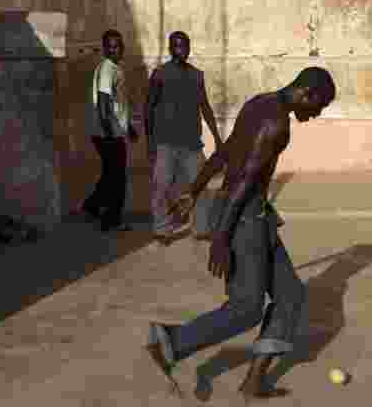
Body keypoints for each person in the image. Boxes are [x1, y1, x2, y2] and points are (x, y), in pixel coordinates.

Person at [145, 67, 336, 400]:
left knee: (290, 295)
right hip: (244, 217)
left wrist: (195, 187)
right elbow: (244, 180)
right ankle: (171, 342)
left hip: (255, 215)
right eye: (319, 107)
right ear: (309, 93)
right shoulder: (278, 125)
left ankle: (254, 381)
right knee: (246, 308)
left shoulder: (258, 103)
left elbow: (226, 150)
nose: (316, 114)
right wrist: (221, 236)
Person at [145, 31, 223, 243]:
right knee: (161, 185)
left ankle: (202, 227)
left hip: (191, 143)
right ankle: (162, 229)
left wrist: (217, 136)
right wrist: (149, 141)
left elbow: (205, 106)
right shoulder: (160, 74)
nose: (182, 50)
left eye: (185, 46)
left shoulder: (197, 75)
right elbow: (149, 108)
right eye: (177, 46)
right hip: (165, 142)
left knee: (199, 186)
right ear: (170, 49)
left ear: (189, 48)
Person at [80, 29, 138, 233]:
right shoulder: (107, 69)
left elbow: (118, 104)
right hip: (108, 133)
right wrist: (109, 131)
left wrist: (128, 126)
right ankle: (111, 219)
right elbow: (104, 102)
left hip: (111, 130)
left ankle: (92, 207)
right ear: (105, 49)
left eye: (118, 46)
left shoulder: (114, 68)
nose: (115, 50)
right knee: (117, 177)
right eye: (111, 47)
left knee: (110, 174)